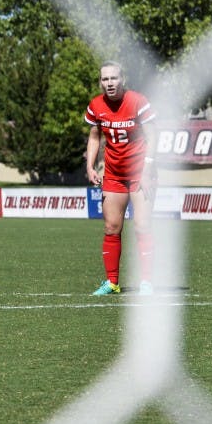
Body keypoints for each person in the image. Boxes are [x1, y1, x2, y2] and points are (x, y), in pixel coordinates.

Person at [85, 61, 156, 296]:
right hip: (113, 175)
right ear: (100, 82)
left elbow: (153, 135)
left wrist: (148, 169)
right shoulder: (96, 105)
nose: (109, 83)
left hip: (140, 173)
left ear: (122, 78)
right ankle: (112, 283)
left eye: (113, 78)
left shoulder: (138, 101)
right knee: (111, 227)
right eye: (105, 79)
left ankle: (147, 281)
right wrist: (90, 165)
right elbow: (95, 136)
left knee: (142, 225)